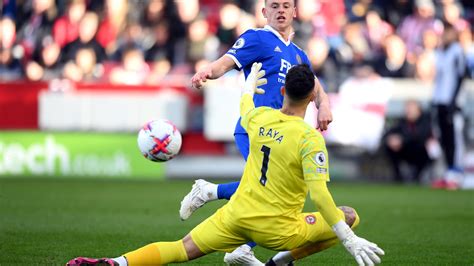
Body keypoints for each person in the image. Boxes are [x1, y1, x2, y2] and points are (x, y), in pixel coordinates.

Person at [66, 63, 384, 266]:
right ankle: (279, 263)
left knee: (180, 249)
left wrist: (247, 86)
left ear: (283, 91)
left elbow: (246, 104)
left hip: (235, 217)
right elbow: (321, 197)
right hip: (279, 232)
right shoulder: (310, 139)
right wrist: (348, 239)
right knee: (350, 216)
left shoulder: (260, 117)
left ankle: (115, 263)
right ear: (313, 95)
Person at [182, 0, 332, 263]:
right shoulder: (258, 38)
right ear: (264, 12)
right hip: (256, 128)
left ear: (295, 12)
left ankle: (223, 212)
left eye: (286, 5)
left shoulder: (299, 54)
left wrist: (324, 106)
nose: (281, 10)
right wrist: (207, 71)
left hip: (283, 134)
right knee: (268, 188)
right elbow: (226, 62)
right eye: (274, 6)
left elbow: (316, 87)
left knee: (268, 188)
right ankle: (219, 208)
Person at [431, 24, 467, 190]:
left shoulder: (457, 51)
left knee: (454, 138)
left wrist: (454, 101)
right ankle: (448, 171)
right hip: (440, 100)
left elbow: (461, 76)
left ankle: (456, 172)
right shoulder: (440, 52)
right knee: (444, 138)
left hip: (452, 102)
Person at [383, 100, 436, 183]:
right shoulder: (403, 122)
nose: (408, 111)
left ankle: (418, 176)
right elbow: (390, 133)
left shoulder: (426, 120)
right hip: (406, 152)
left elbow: (421, 135)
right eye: (407, 108)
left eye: (410, 108)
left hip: (422, 152)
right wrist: (391, 139)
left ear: (418, 109)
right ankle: (398, 176)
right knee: (389, 145)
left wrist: (402, 140)